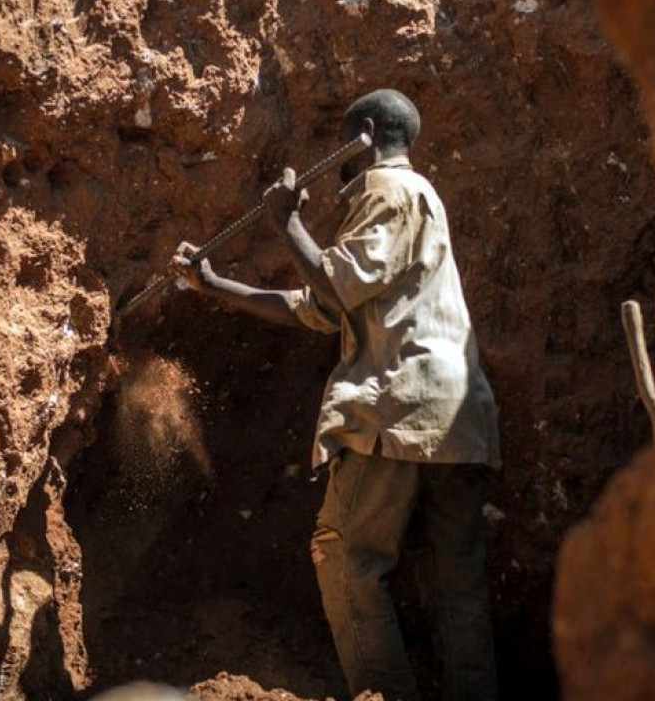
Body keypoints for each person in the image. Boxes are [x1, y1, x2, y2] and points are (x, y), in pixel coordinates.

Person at [169, 89, 499, 701]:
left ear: (365, 134)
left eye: (344, 144)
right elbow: (316, 309)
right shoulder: (420, 202)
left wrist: (287, 220)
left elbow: (336, 286)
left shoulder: (387, 190)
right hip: (458, 418)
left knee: (346, 558)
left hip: (399, 406)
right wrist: (214, 285)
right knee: (457, 585)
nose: (338, 161)